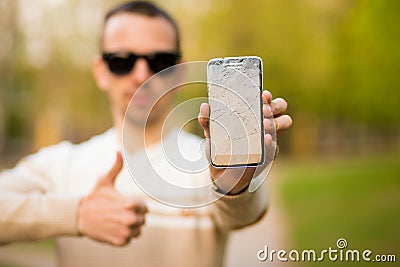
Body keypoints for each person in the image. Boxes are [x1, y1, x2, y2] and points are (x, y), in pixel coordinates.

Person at [0, 1, 292, 266]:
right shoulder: (61, 165)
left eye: (159, 61)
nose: (141, 75)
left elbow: (245, 214)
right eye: (121, 61)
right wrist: (76, 214)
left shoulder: (208, 163)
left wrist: (234, 181)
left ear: (178, 72)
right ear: (101, 71)